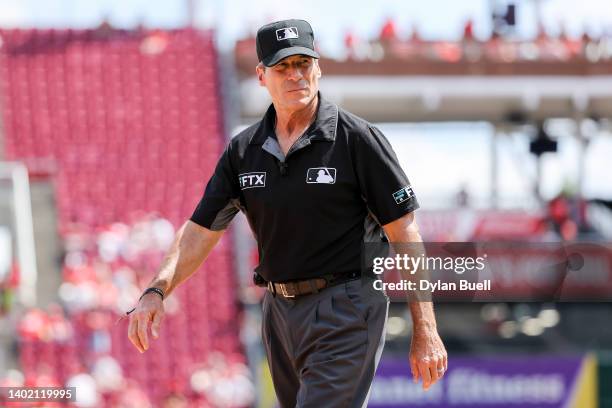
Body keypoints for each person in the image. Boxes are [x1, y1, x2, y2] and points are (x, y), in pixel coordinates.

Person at [127, 19, 447, 407]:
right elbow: (200, 229)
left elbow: (405, 233)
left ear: (318, 68)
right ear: (262, 76)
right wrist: (157, 290)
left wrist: (425, 329)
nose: (295, 75)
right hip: (278, 311)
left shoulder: (356, 139)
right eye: (282, 67)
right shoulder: (243, 151)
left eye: (303, 63)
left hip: (346, 303)